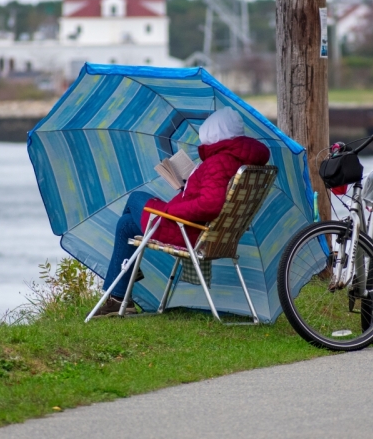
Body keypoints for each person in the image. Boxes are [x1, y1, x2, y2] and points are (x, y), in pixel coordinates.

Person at [96, 108, 270, 316]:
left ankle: (124, 281)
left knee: (136, 198)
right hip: (206, 233)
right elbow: (215, 196)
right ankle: (118, 296)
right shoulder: (238, 160)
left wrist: (171, 208)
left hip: (187, 232)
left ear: (213, 134)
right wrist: (188, 188)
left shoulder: (217, 162)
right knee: (126, 225)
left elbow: (211, 205)